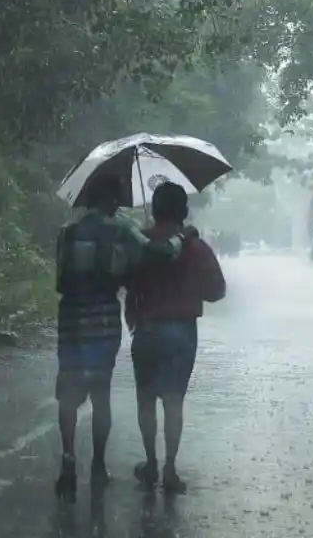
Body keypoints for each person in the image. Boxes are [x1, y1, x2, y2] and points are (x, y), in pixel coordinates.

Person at [53, 172, 199, 499]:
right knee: (100, 392)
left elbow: (60, 281)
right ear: (112, 199)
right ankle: (98, 466)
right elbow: (161, 253)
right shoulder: (121, 230)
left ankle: (68, 457)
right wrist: (184, 237)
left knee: (69, 389)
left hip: (70, 318)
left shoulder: (66, 232)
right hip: (103, 319)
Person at [125, 182, 226, 493]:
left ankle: (150, 463)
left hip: (147, 329)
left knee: (146, 400)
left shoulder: (142, 242)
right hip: (182, 332)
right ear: (184, 211)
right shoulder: (195, 247)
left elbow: (126, 281)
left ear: (155, 210)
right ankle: (170, 468)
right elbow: (217, 291)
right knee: (173, 401)